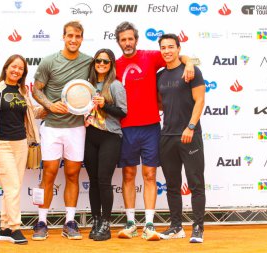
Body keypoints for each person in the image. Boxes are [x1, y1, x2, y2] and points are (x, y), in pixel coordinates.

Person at [114, 22, 195, 241]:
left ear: (136, 40)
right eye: (123, 39)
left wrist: (189, 64)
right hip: (127, 128)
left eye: (131, 38)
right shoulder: (115, 64)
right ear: (118, 42)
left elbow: (178, 57)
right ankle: (131, 223)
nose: (127, 43)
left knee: (150, 175)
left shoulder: (151, 56)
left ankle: (149, 225)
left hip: (151, 127)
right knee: (128, 174)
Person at [31, 20, 92, 240]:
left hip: (76, 127)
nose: (73, 40)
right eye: (69, 36)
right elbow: (36, 90)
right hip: (52, 127)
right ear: (63, 37)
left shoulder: (89, 62)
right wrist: (49, 105)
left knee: (73, 174)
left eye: (77, 36)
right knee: (48, 173)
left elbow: (101, 81)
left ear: (82, 38)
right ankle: (41, 222)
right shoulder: (49, 61)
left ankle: (70, 222)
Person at [156, 34, 206, 243]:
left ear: (178, 48)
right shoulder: (159, 75)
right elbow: (161, 104)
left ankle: (198, 228)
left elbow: (200, 100)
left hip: (189, 135)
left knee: (196, 183)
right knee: (172, 185)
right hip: (167, 136)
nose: (167, 51)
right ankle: (176, 226)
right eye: (163, 48)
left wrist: (191, 127)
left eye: (171, 47)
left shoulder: (192, 71)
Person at [0, 55, 45, 244]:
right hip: (1, 144)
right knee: (13, 187)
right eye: (13, 67)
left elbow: (30, 112)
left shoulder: (23, 91)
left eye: (21, 69)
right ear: (6, 68)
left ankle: (4, 227)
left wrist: (48, 108)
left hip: (21, 144)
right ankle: (15, 227)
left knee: (11, 189)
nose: (16, 70)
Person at [84, 49, 127, 241]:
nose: (101, 64)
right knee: (93, 180)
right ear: (94, 63)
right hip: (89, 135)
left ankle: (106, 223)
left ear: (111, 65)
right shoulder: (87, 85)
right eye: (98, 61)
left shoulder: (115, 85)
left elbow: (123, 112)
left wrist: (104, 105)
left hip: (110, 136)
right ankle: (95, 220)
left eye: (106, 61)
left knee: (103, 180)